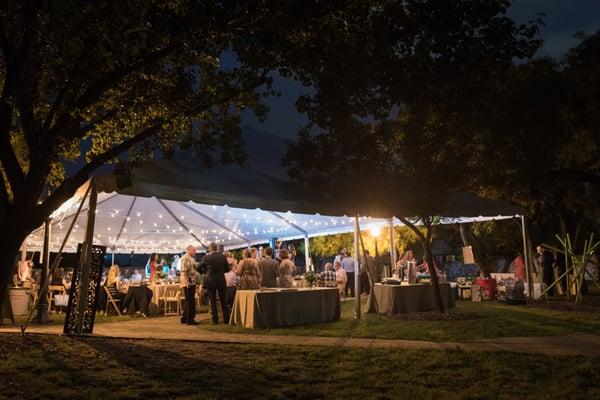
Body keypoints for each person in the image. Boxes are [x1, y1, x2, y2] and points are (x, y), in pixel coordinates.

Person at [199, 242, 231, 325]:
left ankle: (214, 320)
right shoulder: (222, 256)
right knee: (223, 300)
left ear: (210, 248)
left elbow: (198, 267)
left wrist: (205, 272)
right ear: (216, 248)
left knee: (212, 301)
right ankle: (226, 320)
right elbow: (227, 269)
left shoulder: (206, 257)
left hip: (210, 281)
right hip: (221, 280)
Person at [180, 245, 199, 325]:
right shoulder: (185, 258)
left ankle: (184, 318)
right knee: (190, 301)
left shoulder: (190, 258)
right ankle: (190, 319)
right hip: (189, 282)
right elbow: (184, 271)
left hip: (192, 281)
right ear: (189, 250)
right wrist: (186, 282)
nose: (195, 252)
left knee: (188, 300)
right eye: (194, 250)